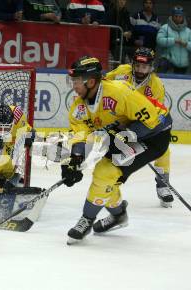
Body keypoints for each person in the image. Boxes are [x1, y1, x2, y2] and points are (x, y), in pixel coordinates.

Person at [63, 56, 172, 245]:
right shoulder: (78, 107)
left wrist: (125, 136)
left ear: (91, 81)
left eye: (77, 80)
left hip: (154, 136)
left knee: (105, 171)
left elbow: (155, 120)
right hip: (123, 134)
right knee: (107, 175)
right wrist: (74, 159)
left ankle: (87, 220)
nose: (74, 85)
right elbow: (81, 135)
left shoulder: (120, 92)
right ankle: (118, 215)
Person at [105, 47, 173, 208]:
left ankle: (163, 184)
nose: (140, 70)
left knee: (164, 150)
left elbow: (154, 115)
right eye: (137, 66)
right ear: (133, 64)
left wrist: (135, 130)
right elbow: (104, 84)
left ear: (151, 68)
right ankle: (109, 183)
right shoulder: (122, 71)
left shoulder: (156, 85)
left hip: (138, 122)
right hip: (117, 118)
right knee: (111, 149)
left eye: (144, 67)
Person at [156, 5, 191, 75]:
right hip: (168, 63)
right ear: (172, 16)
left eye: (180, 16)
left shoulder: (188, 31)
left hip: (184, 65)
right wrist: (174, 40)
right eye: (176, 16)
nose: (178, 18)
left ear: (183, 17)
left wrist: (186, 44)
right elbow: (159, 40)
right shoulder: (165, 28)